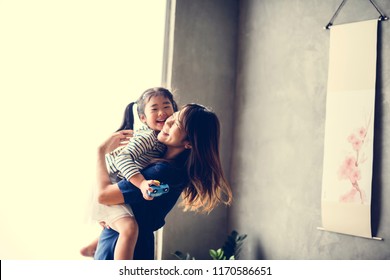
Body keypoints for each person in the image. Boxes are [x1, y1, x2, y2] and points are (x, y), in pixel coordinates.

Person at [93, 103, 233, 260]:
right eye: (172, 117)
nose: (168, 122)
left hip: (122, 248)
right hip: (129, 245)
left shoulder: (163, 171)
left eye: (176, 123)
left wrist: (100, 152)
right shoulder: (169, 167)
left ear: (189, 143)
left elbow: (103, 196)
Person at [81, 87, 178, 260]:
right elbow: (123, 159)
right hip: (110, 181)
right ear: (143, 118)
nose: (162, 112)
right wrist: (141, 183)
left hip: (116, 183)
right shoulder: (148, 137)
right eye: (154, 109)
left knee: (124, 223)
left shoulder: (161, 142)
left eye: (166, 106)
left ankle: (91, 247)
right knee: (129, 228)